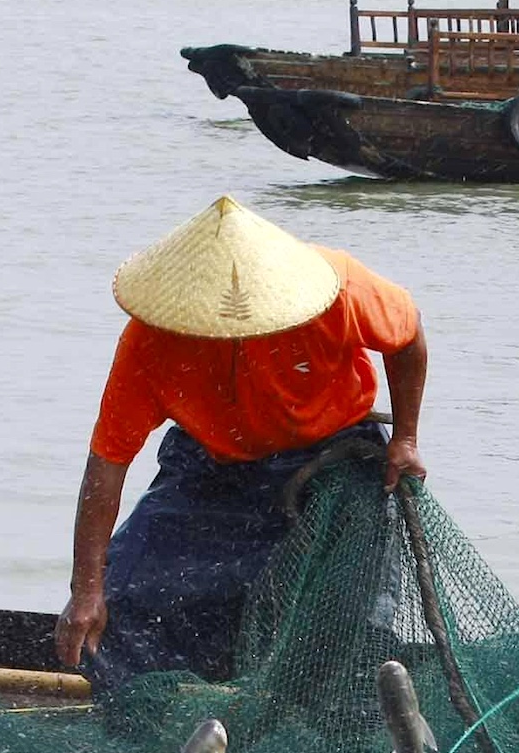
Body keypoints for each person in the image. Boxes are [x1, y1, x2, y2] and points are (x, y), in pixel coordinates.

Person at [54, 197, 428, 689]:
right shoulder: (151, 342)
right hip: (211, 465)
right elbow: (107, 465)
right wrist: (86, 589)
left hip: (335, 461)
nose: (239, 337)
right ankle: (172, 720)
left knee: (349, 624)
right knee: (120, 605)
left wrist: (404, 437)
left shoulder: (340, 289)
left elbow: (407, 338)